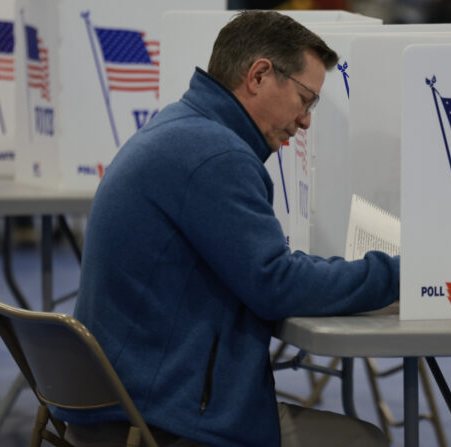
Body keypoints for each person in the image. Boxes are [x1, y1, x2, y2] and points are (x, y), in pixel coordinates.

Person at [57, 11, 397, 447]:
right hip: (158, 421)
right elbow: (275, 285)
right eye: (306, 98)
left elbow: (264, 268)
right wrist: (397, 274)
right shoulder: (215, 155)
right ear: (259, 75)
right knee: (363, 440)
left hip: (117, 406)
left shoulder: (181, 128)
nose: (307, 119)